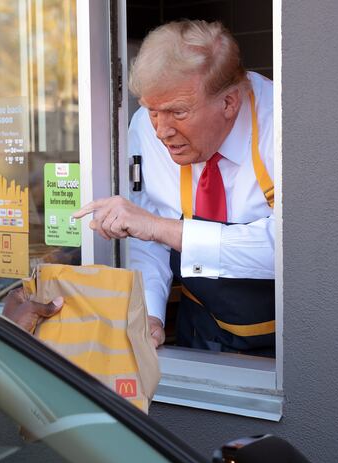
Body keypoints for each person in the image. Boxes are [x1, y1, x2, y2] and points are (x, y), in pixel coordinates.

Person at [73, 20, 275, 357]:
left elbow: (290, 251)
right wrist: (150, 312)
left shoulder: (281, 123)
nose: (162, 130)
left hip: (289, 342)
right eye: (153, 111)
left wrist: (160, 228)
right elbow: (145, 235)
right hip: (202, 329)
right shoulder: (145, 127)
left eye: (177, 112)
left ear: (229, 102)